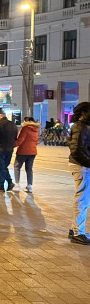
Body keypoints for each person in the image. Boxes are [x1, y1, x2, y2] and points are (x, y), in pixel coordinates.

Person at [68, 102, 90, 245]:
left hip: (83, 165)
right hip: (81, 166)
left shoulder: (84, 126)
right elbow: (76, 150)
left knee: (83, 198)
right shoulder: (80, 127)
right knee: (82, 198)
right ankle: (78, 232)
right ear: (83, 112)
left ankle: (75, 229)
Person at [0, 109, 18, 192]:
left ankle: (1, 184)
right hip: (9, 149)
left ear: (0, 116)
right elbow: (15, 137)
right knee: (4, 167)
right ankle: (10, 182)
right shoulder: (13, 125)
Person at [14, 116, 40, 192]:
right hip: (32, 152)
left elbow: (20, 140)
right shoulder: (36, 130)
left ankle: (17, 184)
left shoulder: (25, 128)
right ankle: (29, 185)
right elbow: (36, 141)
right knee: (29, 169)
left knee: (17, 167)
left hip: (23, 151)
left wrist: (12, 145)